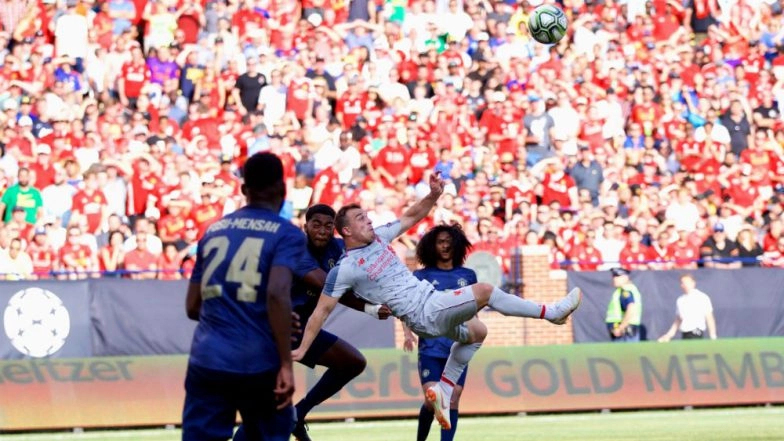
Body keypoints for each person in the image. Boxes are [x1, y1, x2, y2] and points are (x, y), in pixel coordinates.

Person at [293, 172, 582, 431]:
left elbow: (411, 216)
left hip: (432, 304)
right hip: (423, 313)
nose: (369, 221)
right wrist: (303, 348)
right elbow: (320, 313)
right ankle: (552, 312)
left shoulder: (379, 238)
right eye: (361, 219)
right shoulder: (345, 268)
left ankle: (444, 389)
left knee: (478, 332)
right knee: (484, 290)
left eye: (368, 217)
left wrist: (433, 195)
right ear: (346, 232)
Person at [234, 204, 392, 441]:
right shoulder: (295, 250)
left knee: (353, 362)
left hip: (298, 330)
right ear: (305, 226)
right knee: (267, 406)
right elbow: (330, 287)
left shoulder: (339, 249)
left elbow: (370, 249)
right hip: (267, 331)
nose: (322, 230)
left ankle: (299, 413)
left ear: (336, 230)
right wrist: (369, 307)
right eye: (316, 224)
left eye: (329, 226)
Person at [182, 153, 305, 441]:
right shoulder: (287, 234)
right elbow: (276, 293)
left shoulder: (213, 231)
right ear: (282, 189)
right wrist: (286, 362)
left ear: (243, 189)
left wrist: (235, 313)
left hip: (207, 358)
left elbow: (192, 307)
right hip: (258, 361)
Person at [403, 224, 477, 441]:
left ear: (457, 244)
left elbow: (474, 310)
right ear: (432, 246)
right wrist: (407, 333)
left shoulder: (468, 275)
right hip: (431, 348)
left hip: (458, 347)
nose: (445, 246)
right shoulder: (421, 275)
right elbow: (408, 308)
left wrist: (475, 334)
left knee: (452, 398)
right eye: (440, 242)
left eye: (449, 241)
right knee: (432, 399)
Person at [658, 274, 717, 342]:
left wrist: (713, 336)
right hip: (685, 334)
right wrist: (668, 335)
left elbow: (709, 317)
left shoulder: (702, 297)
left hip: (696, 333)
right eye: (683, 283)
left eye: (687, 282)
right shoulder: (680, 300)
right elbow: (678, 320)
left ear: (693, 283)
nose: (685, 285)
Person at [605, 267, 643, 342]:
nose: (614, 279)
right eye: (613, 276)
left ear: (625, 277)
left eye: (617, 276)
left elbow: (631, 308)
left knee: (625, 353)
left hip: (625, 332)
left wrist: (621, 327)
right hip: (624, 330)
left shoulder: (626, 290)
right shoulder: (625, 289)